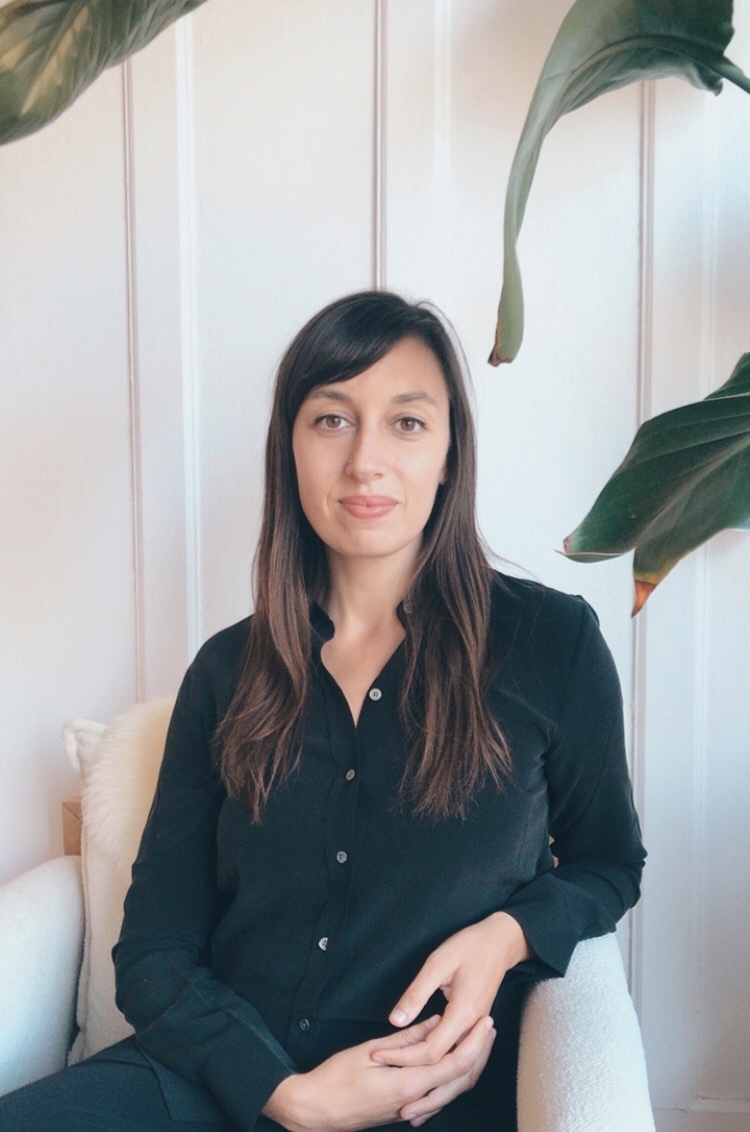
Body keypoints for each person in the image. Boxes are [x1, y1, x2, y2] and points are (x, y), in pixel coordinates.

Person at [0, 290, 646, 1131]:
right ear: (291, 449)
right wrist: (286, 1095)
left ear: (450, 451)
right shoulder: (227, 672)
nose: (365, 461)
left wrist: (510, 935)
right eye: (332, 420)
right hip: (216, 1083)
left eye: (407, 423)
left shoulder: (550, 643)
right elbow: (154, 952)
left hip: (423, 1098)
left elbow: (607, 863)